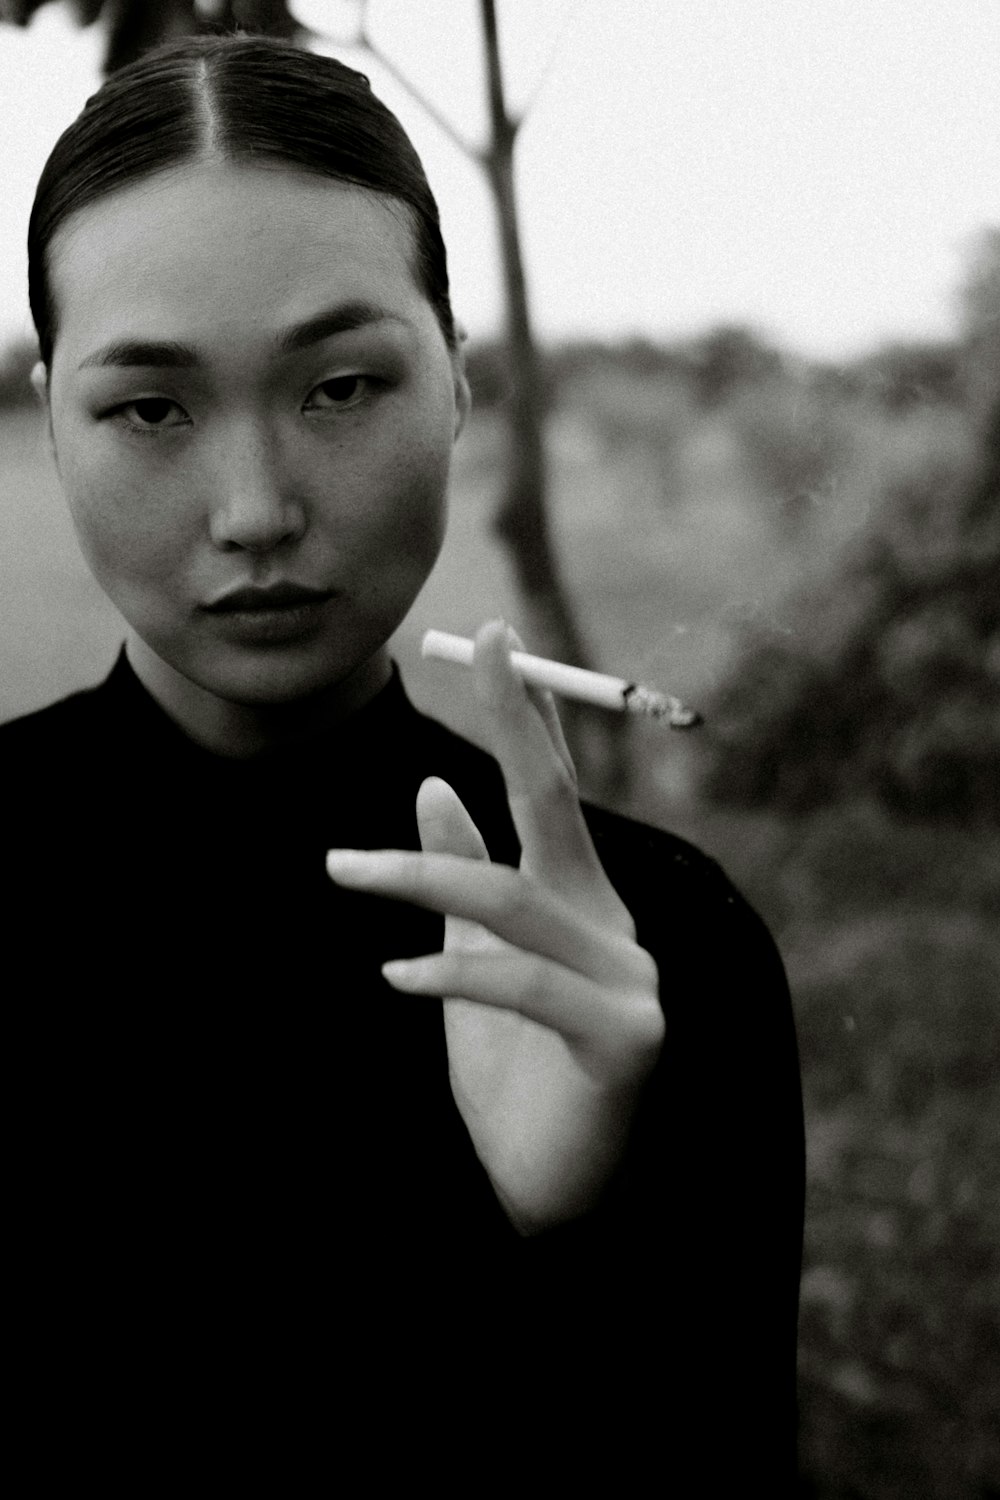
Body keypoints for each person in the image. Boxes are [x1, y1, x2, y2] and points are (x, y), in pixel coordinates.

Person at [4, 33, 804, 1483]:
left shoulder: (651, 953)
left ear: (456, 383)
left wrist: (579, 1222)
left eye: (340, 389)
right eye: (151, 408)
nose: (253, 511)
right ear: (51, 414)